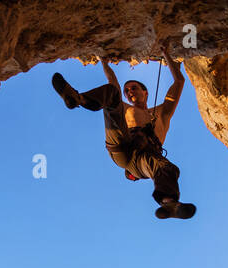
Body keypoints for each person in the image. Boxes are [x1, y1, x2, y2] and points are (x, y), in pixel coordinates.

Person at [51, 41, 196, 219]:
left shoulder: (162, 113)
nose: (129, 92)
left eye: (133, 88)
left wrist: (166, 54)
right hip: (123, 141)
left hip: (139, 158)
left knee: (168, 168)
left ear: (146, 92)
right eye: (127, 90)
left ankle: (169, 205)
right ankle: (78, 98)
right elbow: (113, 83)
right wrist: (104, 62)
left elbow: (179, 81)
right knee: (113, 93)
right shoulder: (126, 108)